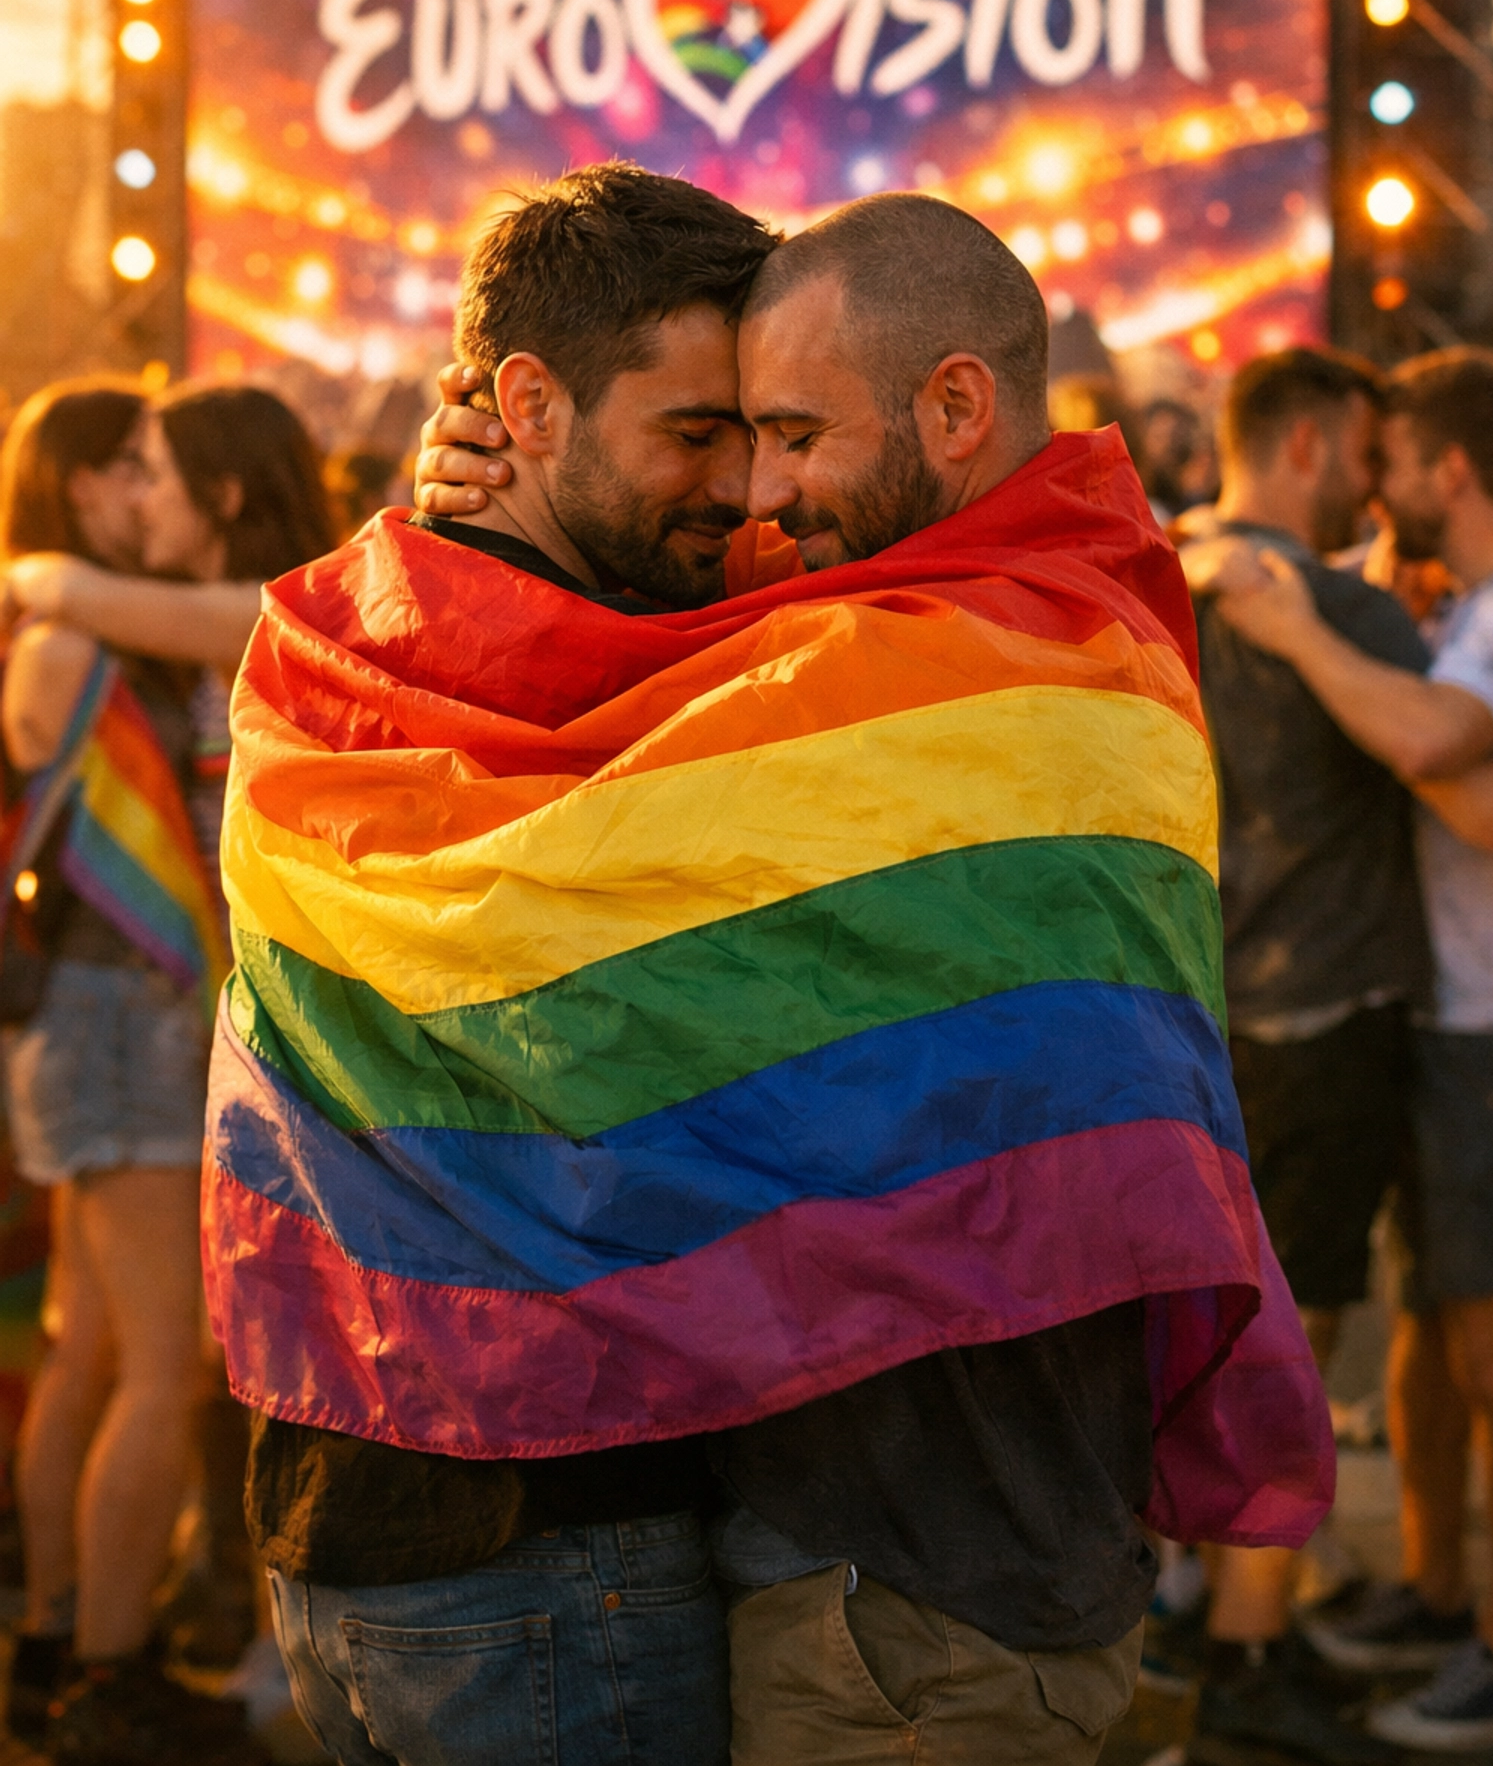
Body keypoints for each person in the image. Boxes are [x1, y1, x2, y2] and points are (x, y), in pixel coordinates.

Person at [214, 168, 1329, 1766]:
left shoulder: (974, 674)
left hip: (925, 1584)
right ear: (528, 405)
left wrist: (457, 550)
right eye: (714, 435)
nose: (755, 492)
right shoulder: (929, 655)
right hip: (634, 1561)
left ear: (956, 408)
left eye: (789, 435)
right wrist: (464, 543)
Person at [1209, 349, 1493, 1752]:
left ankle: (1492, 1637)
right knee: (1373, 1337)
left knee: (1475, 1351)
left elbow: (1468, 781)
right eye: (1362, 452)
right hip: (1386, 1015)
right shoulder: (1388, 603)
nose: (1373, 483)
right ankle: (1363, 1612)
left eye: (1392, 459)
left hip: (1425, 1019)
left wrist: (1287, 619)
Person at [0, 377, 330, 1765]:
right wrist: (51, 584)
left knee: (88, 1350)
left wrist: (46, 577)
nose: (141, 493)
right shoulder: (83, 636)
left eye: (158, 470)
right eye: (123, 467)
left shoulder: (173, 617)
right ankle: (107, 1673)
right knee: (162, 1369)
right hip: (124, 1020)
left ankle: (53, 1648)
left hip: (103, 1019)